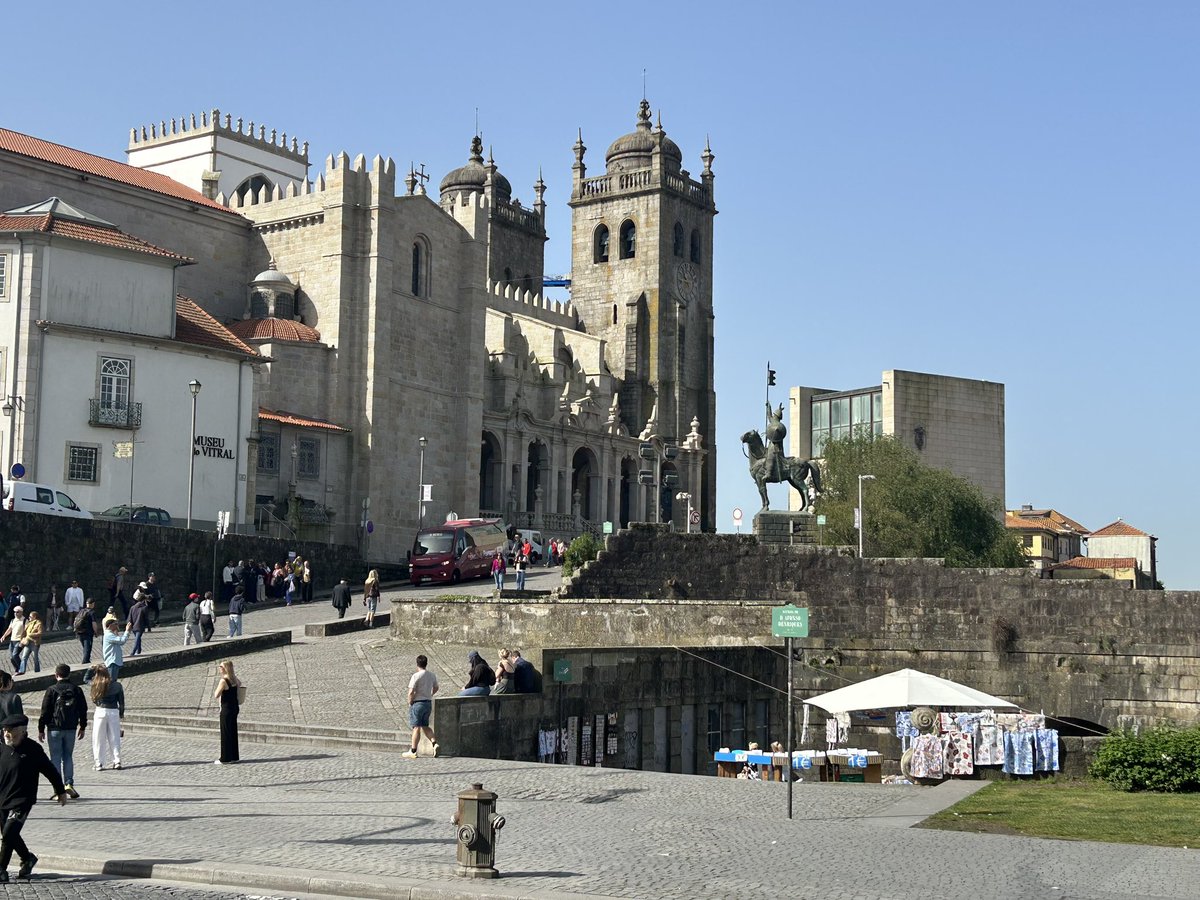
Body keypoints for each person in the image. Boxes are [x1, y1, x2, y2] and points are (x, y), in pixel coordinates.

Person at [0, 713, 67, 883]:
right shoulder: (2, 748)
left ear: (22, 731)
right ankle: (27, 858)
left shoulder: (33, 750)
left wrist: (60, 791)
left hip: (22, 800)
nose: (6, 734)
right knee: (10, 834)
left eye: (10, 731)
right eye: (4, 730)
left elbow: (50, 770)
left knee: (9, 833)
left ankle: (1, 869)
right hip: (2, 798)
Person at [37, 664, 85, 800]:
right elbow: (83, 709)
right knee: (68, 756)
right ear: (69, 674)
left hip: (54, 728)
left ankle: (58, 788)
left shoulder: (51, 690)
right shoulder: (76, 689)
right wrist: (82, 726)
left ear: (56, 675)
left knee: (55, 758)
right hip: (71, 728)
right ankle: (69, 783)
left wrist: (41, 729)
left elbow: (45, 711)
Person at [403, 655, 439, 759]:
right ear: (426, 663)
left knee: (416, 727)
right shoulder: (431, 675)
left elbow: (411, 691)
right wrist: (430, 694)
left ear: (417, 664)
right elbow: (436, 687)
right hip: (427, 703)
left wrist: (410, 701)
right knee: (425, 726)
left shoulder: (416, 676)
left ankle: (413, 751)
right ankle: (434, 743)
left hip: (418, 703)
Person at [88, 666, 124, 770]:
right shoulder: (117, 685)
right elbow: (121, 702)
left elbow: (85, 679)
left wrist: (91, 669)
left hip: (100, 711)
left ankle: (99, 763)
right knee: (114, 737)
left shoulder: (96, 684)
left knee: (98, 738)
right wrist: (121, 714)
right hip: (113, 711)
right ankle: (117, 760)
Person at [213, 660, 241, 765]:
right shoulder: (234, 678)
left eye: (220, 666)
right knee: (233, 731)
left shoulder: (223, 681)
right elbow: (239, 684)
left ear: (224, 668)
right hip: (234, 707)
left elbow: (216, 694)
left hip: (226, 708)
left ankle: (225, 758)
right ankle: (234, 756)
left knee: (225, 732)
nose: (219, 668)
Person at [1, 610, 27, 674]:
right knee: (11, 657)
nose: (15, 613)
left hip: (19, 640)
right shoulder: (13, 620)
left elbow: (27, 630)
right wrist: (4, 636)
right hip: (12, 640)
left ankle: (22, 669)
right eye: (14, 612)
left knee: (15, 655)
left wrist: (24, 639)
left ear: (21, 612)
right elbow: (9, 629)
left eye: (17, 612)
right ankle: (17, 669)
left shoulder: (24, 620)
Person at [73, 599, 96, 666]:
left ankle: (87, 661)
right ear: (93, 604)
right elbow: (94, 623)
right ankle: (85, 663)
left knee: (85, 647)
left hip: (79, 632)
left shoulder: (82, 611)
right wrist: (96, 632)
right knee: (87, 649)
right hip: (87, 633)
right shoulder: (91, 612)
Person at [128, 591, 149, 656]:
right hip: (140, 626)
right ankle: (133, 652)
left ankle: (139, 649)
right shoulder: (144, 608)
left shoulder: (132, 607)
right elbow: (146, 618)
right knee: (137, 638)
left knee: (138, 637)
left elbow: (129, 617)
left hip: (133, 626)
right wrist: (148, 626)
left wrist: (129, 625)